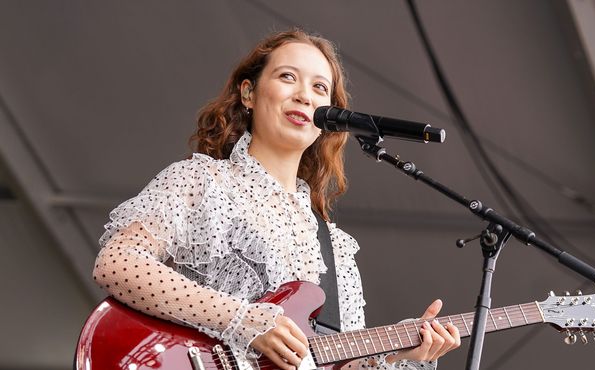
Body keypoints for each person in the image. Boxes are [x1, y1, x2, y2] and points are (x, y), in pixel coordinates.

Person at [93, 28, 460, 369]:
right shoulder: (202, 181)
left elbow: (331, 362)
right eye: (288, 77)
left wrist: (398, 354)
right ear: (248, 93)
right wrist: (245, 320)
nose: (305, 95)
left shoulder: (334, 248)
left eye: (320, 88)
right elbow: (118, 263)